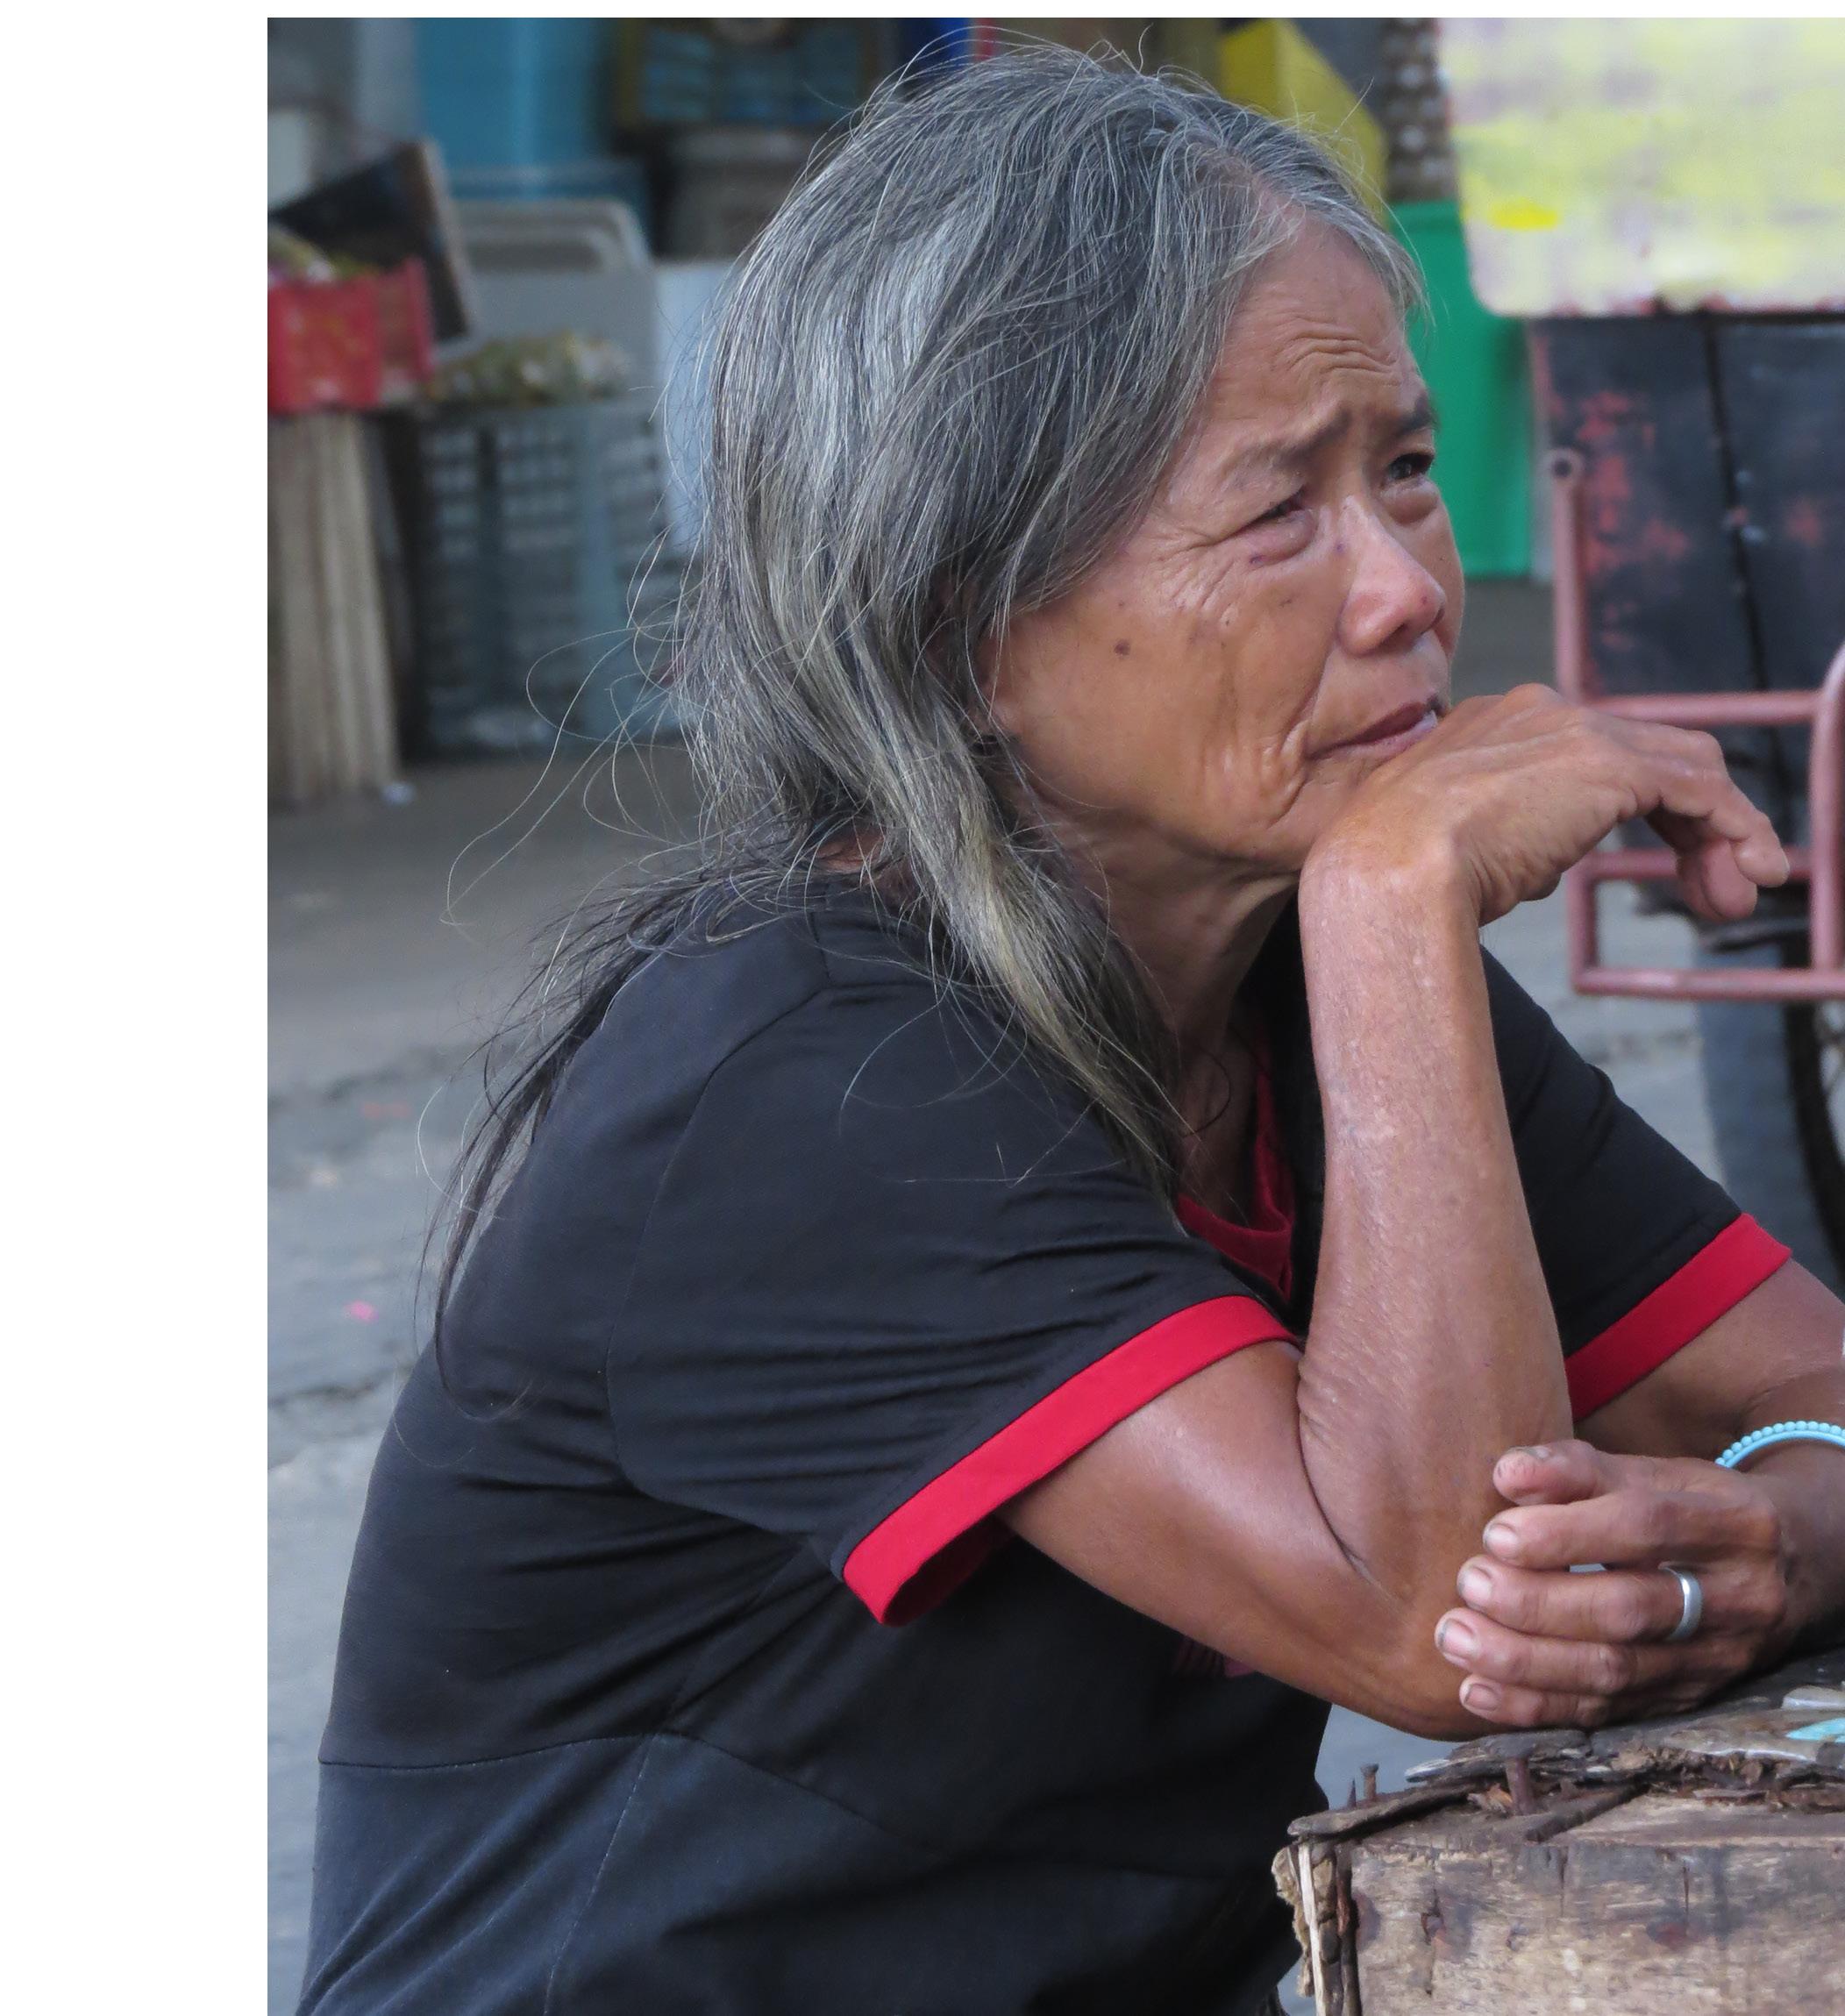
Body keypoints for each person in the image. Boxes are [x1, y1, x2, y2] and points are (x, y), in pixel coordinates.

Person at [297, 48, 1845, 2016]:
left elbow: (1813, 1393)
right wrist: (1393, 902)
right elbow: (1438, 1619)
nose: (1406, 589)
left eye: (1402, 469)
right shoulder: (802, 1071)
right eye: (1275, 512)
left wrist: (1764, 1539)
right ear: (963, 626)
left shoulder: (1296, 990)